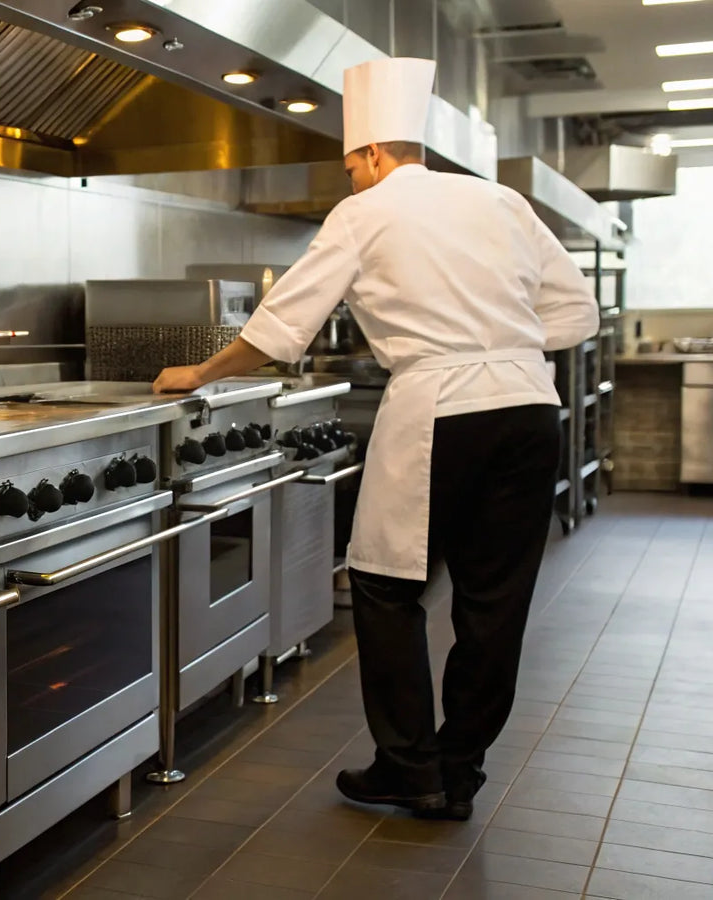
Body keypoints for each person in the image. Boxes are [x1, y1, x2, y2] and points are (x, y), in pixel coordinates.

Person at [152, 57, 599, 821]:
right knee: (494, 601)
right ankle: (457, 770)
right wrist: (501, 346)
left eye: (350, 165)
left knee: (387, 585)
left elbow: (282, 326)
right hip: (529, 405)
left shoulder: (364, 212)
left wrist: (201, 372)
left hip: (440, 408)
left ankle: (408, 766)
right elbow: (576, 313)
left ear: (370, 155)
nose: (350, 177)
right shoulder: (502, 202)